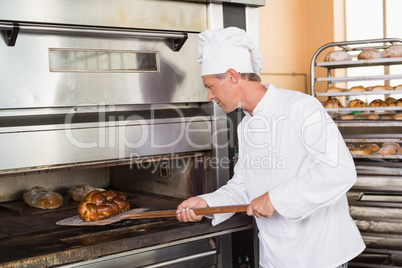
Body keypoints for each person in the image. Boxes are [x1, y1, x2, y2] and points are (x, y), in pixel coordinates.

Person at [176, 27, 365, 268]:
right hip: (276, 258)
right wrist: (207, 203)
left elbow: (339, 171)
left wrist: (276, 198)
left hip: (319, 256)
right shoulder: (246, 125)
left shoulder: (302, 107)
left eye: (210, 86)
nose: (209, 96)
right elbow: (245, 185)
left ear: (233, 76)